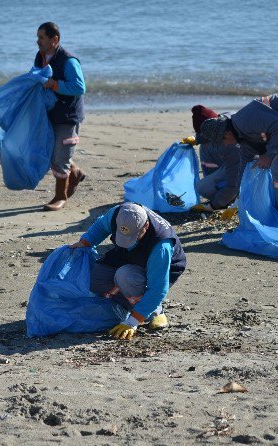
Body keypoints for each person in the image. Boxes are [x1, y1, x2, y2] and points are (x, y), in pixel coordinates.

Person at [199, 93, 278, 228]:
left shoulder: (245, 121)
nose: (225, 145)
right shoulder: (241, 136)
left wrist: (269, 155)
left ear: (226, 134)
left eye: (221, 142)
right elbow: (244, 165)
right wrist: (238, 200)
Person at [70, 202, 186, 340]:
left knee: (126, 276)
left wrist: (133, 322)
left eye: (132, 237)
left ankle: (155, 311)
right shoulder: (119, 213)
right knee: (92, 276)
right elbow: (101, 226)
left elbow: (158, 287)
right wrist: (85, 242)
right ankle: (128, 305)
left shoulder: (161, 245)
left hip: (158, 266)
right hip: (128, 254)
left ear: (146, 226)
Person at [34, 22, 87, 211]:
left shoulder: (69, 61)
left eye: (41, 37)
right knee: (49, 151)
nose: (37, 41)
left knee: (59, 156)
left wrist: (54, 84)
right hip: (49, 113)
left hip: (67, 115)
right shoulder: (40, 57)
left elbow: (79, 87)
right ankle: (75, 171)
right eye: (37, 37)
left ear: (54, 39)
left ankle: (60, 196)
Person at [183, 105, 242, 213]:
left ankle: (233, 197)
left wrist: (214, 205)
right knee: (205, 146)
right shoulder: (222, 122)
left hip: (255, 167)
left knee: (203, 188)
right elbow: (209, 132)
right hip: (233, 164)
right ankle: (222, 192)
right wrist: (197, 139)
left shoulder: (232, 145)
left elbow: (234, 183)